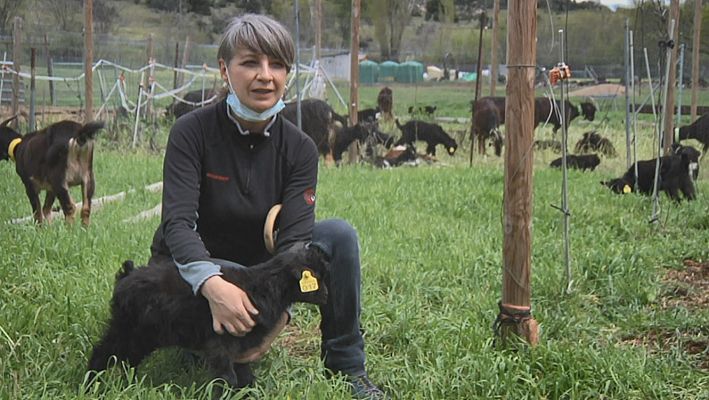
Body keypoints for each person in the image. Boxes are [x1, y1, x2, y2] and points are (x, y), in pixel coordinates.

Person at [148, 14, 388, 399]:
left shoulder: (300, 148)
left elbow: (294, 243)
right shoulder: (191, 132)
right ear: (225, 69)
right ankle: (200, 336)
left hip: (259, 268)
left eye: (276, 64)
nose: (265, 75)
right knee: (198, 309)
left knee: (338, 235)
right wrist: (212, 286)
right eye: (250, 62)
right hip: (197, 264)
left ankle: (347, 366)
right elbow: (177, 224)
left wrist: (276, 320)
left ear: (287, 73)